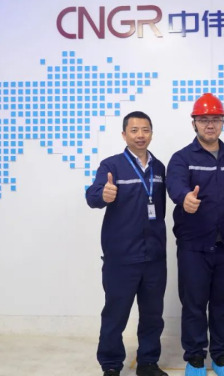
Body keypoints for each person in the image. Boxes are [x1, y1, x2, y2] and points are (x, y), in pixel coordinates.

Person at [166, 93, 224, 376]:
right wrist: (185, 198)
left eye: (215, 119)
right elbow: (175, 185)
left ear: (223, 122)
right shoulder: (182, 158)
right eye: (203, 119)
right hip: (193, 244)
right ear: (194, 123)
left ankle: (222, 356)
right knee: (194, 304)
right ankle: (195, 357)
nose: (209, 125)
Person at [86, 111, 168, 376]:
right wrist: (103, 194)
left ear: (151, 133)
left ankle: (148, 362)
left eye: (145, 130)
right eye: (134, 130)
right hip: (121, 257)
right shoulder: (111, 166)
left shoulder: (159, 168)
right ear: (124, 135)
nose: (140, 135)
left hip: (154, 257)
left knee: (153, 315)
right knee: (115, 314)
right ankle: (111, 365)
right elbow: (92, 197)